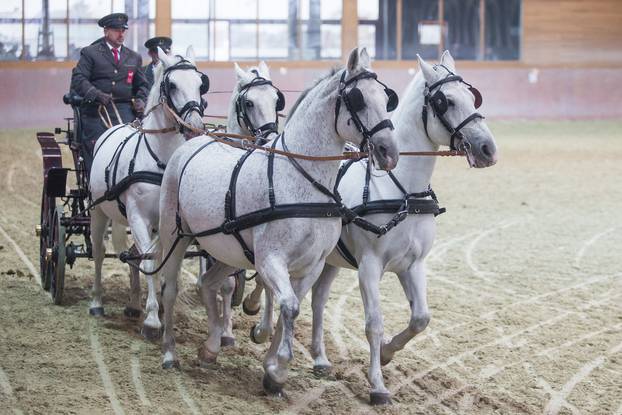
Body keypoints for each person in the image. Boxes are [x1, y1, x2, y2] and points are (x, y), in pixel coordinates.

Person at [70, 13, 149, 172]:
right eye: (117, 30)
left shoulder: (134, 57)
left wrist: (141, 99)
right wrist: (96, 94)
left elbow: (143, 85)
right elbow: (78, 79)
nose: (121, 34)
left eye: (123, 30)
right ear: (106, 31)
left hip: (126, 112)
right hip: (96, 112)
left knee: (134, 146)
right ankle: (95, 183)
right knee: (98, 149)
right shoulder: (90, 53)